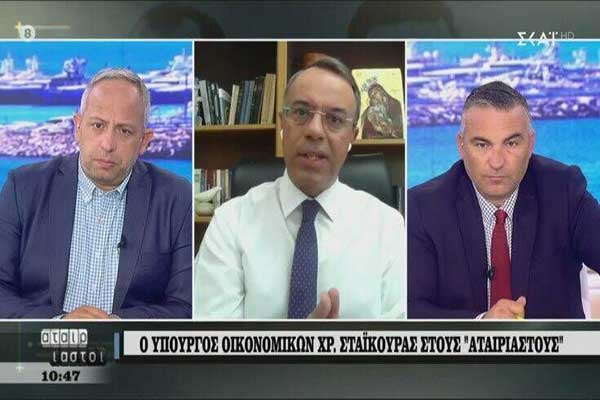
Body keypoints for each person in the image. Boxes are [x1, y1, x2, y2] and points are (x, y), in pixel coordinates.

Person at [195, 56, 405, 319]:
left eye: (335, 119)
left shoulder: (388, 228)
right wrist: (295, 343)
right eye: (301, 113)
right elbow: (212, 337)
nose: (315, 131)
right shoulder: (230, 223)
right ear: (283, 122)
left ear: (353, 135)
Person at [0, 68, 192, 319]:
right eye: (98, 125)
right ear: (77, 127)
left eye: (124, 131)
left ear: (144, 141)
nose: (108, 144)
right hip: (42, 341)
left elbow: (184, 306)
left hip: (128, 344)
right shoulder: (23, 188)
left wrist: (117, 326)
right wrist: (60, 324)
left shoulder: (177, 198)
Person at [408, 80, 600, 319]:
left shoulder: (564, 190)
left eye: (511, 143)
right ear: (461, 146)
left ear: (530, 144)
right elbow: (412, 308)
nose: (497, 162)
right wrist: (481, 325)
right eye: (482, 145)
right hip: (467, 344)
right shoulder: (424, 208)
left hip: (553, 344)